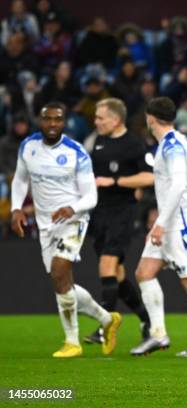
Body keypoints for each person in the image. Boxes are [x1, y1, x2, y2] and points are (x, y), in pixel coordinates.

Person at [10, 102, 121, 358]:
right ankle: (107, 319)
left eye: (57, 119)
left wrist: (72, 209)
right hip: (46, 225)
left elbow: (91, 196)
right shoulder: (28, 147)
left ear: (64, 122)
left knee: (60, 271)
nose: (52, 124)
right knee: (62, 282)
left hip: (73, 221)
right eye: (47, 119)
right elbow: (20, 179)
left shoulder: (77, 153)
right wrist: (16, 208)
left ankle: (72, 341)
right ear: (40, 121)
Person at [130, 97, 187, 358]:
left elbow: (178, 185)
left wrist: (160, 223)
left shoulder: (173, 145)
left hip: (180, 222)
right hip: (169, 221)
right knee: (144, 272)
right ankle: (158, 334)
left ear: (150, 118)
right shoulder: (170, 143)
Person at [83, 98, 154, 345]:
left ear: (116, 119)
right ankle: (147, 319)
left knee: (106, 266)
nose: (96, 122)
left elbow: (148, 177)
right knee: (117, 275)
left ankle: (104, 325)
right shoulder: (99, 141)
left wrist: (115, 182)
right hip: (99, 212)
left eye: (101, 118)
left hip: (122, 212)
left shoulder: (134, 144)